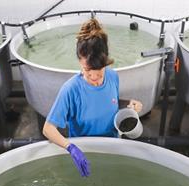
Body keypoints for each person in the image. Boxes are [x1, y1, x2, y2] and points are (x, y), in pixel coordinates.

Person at [42, 18, 143, 177]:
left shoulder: (113, 77)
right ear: (79, 62)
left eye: (99, 71)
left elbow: (111, 102)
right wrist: (70, 147)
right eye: (88, 71)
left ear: (106, 63)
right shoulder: (71, 90)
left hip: (112, 148)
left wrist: (129, 104)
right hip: (85, 153)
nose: (94, 78)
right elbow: (48, 129)